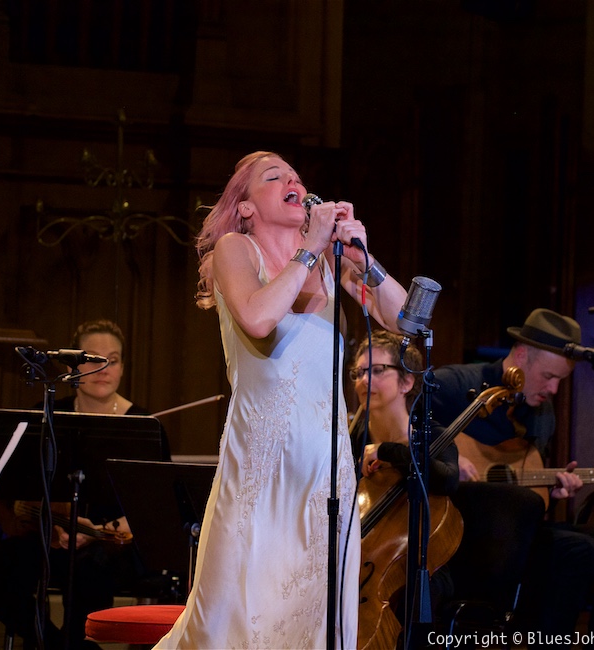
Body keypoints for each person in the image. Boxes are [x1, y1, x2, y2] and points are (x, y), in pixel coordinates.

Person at [155, 151, 409, 648]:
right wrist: (311, 248)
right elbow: (258, 318)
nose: (294, 181)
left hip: (324, 469)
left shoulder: (332, 262)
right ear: (246, 207)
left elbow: (408, 322)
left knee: (313, 619)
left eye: (296, 176)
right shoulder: (235, 249)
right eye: (274, 177)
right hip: (262, 465)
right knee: (235, 614)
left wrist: (364, 261)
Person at [430, 308, 594, 645]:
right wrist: (447, 453)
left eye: (561, 379)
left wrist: (551, 492)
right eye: (548, 376)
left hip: (515, 534)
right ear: (520, 356)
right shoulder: (455, 385)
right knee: (579, 550)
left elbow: (520, 488)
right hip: (460, 534)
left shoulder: (541, 413)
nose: (554, 389)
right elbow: (406, 424)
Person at [0, 319, 165, 650]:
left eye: (112, 360)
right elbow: (12, 481)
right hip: (53, 538)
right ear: (71, 367)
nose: (102, 369)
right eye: (91, 359)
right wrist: (52, 523)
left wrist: (97, 531)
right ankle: (50, 642)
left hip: (113, 544)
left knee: (88, 569)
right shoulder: (45, 415)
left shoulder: (145, 425)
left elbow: (156, 507)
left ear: (122, 368)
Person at [348, 329, 461, 647]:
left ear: (407, 382)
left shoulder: (430, 434)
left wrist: (387, 452)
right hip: (360, 559)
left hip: (419, 564)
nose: (364, 380)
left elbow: (447, 479)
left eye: (377, 370)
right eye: (359, 372)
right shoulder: (351, 438)